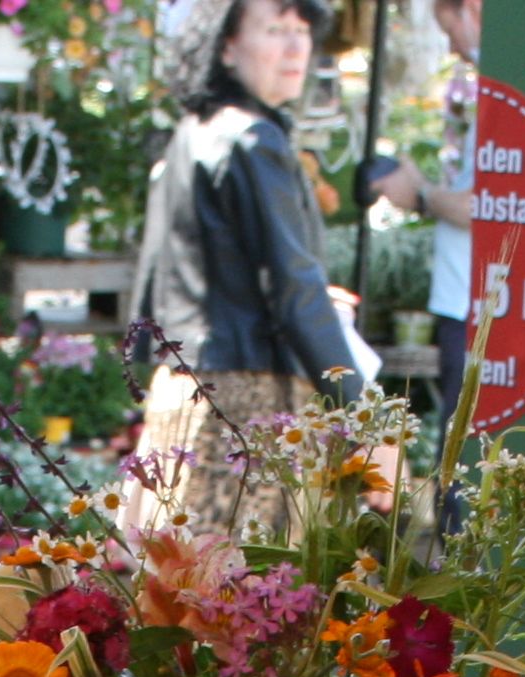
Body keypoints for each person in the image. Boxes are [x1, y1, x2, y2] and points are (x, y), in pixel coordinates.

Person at [134, 0, 363, 537]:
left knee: (179, 591)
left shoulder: (195, 129)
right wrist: (360, 413)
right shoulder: (253, 139)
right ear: (226, 46)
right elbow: (294, 290)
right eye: (275, 30)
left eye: (302, 30)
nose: (294, 47)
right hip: (244, 403)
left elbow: (155, 284)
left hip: (182, 389)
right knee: (245, 598)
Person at [371, 0, 478, 419]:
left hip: (473, 306)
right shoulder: (484, 94)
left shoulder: (504, 99)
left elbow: (480, 208)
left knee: (460, 457)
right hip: (461, 302)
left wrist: (419, 195)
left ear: (470, 10)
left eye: (448, 30)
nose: (452, 48)